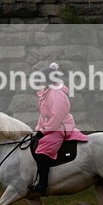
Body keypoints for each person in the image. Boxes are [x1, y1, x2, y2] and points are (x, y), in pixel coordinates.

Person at [30, 62, 88, 196]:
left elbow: (57, 116)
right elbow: (44, 116)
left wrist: (44, 131)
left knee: (42, 150)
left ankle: (43, 185)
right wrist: (38, 129)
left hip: (59, 128)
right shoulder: (46, 92)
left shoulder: (55, 94)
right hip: (51, 127)